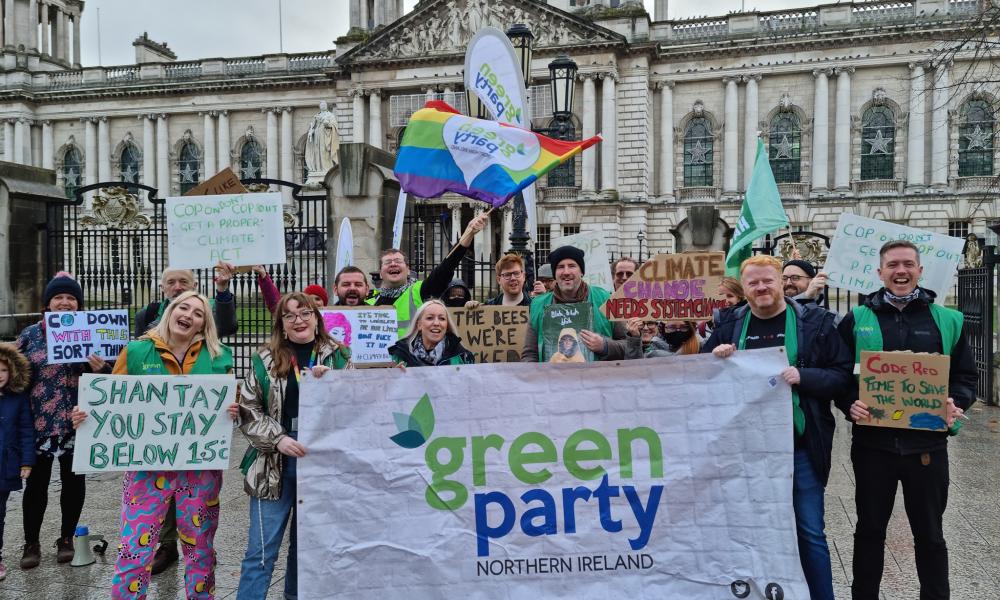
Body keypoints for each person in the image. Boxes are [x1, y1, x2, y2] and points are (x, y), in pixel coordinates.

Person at [703, 255, 853, 600]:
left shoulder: (815, 322)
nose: (761, 288)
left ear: (780, 282)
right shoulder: (728, 324)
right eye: (753, 283)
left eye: (767, 280)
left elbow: (842, 377)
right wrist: (716, 357)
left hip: (799, 448)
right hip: (745, 454)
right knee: (747, 531)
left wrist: (805, 377)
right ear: (745, 288)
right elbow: (704, 379)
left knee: (810, 531)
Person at [72, 290, 236, 600]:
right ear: (170, 311)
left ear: (204, 324)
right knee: (135, 550)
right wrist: (87, 416)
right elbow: (112, 399)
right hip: (147, 471)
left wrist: (232, 410)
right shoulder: (136, 351)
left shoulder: (218, 355)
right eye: (183, 307)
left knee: (200, 552)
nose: (188, 314)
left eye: (198, 313)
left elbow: (229, 403)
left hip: (199, 471)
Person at [836, 240, 976, 600]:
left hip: (927, 446)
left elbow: (964, 377)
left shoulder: (948, 320)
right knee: (869, 531)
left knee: (930, 533)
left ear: (920, 270)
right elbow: (838, 376)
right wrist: (849, 403)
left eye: (908, 264)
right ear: (879, 272)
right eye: (893, 265)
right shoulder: (857, 319)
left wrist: (956, 402)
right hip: (872, 447)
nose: (901, 271)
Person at [235, 292, 350, 600]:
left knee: (306, 550)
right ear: (281, 324)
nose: (298, 320)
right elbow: (248, 410)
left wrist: (334, 382)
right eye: (290, 315)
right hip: (273, 466)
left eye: (305, 313)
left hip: (319, 465)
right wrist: (278, 439)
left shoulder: (339, 355)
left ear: (316, 317)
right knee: (260, 552)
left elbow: (354, 407)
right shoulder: (265, 359)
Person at [16, 272, 109, 569]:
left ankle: (66, 538)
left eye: (71, 298)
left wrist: (102, 368)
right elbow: (14, 376)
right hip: (38, 424)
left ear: (79, 306)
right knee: (36, 486)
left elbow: (112, 380)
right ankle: (31, 542)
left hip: (77, 422)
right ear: (47, 305)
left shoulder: (92, 334)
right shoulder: (30, 335)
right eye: (58, 297)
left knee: (73, 483)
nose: (65, 303)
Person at [368, 212, 489, 336]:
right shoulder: (368, 301)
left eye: (398, 261)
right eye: (388, 262)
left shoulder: (419, 290)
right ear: (381, 273)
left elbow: (445, 269)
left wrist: (468, 233)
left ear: (408, 270)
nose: (393, 264)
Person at [521, 246, 627, 362]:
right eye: (560, 267)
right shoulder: (538, 305)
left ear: (581, 271)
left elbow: (629, 346)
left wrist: (605, 346)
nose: (566, 272)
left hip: (598, 378)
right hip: (552, 379)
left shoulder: (605, 299)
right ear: (554, 274)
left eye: (572, 266)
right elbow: (530, 354)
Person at [0, 343, 33, 581]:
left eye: (2, 370)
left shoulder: (17, 399)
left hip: (5, 465)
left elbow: (26, 431)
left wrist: (26, 461)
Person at [134, 264, 237, 337]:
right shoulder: (146, 314)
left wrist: (222, 288)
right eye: (171, 282)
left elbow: (227, 327)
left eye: (183, 281)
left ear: (194, 285)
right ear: (162, 287)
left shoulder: (209, 308)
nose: (178, 287)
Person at [388, 300, 474, 367]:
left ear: (447, 326)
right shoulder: (399, 355)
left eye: (442, 318)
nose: (436, 323)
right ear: (419, 325)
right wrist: (394, 377)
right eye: (430, 318)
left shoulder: (463, 357)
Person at [699, 276, 745, 341]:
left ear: (739, 298)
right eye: (720, 296)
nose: (725, 300)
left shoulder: (745, 321)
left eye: (730, 296)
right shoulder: (704, 327)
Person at [626, 320, 700, 358]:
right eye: (672, 327)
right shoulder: (652, 351)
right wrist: (634, 339)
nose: (678, 331)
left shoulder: (702, 347)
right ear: (663, 330)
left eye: (684, 327)